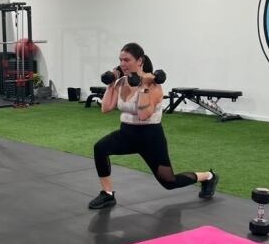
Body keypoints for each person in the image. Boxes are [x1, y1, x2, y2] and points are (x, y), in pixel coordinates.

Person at [88, 43, 218, 209]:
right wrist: (111, 84)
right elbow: (106, 108)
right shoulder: (121, 82)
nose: (122, 64)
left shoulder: (154, 87)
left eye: (127, 60)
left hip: (150, 138)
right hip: (126, 134)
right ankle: (107, 194)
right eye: (120, 60)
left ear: (139, 61)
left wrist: (144, 86)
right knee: (100, 148)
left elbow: (143, 115)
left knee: (169, 182)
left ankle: (208, 177)